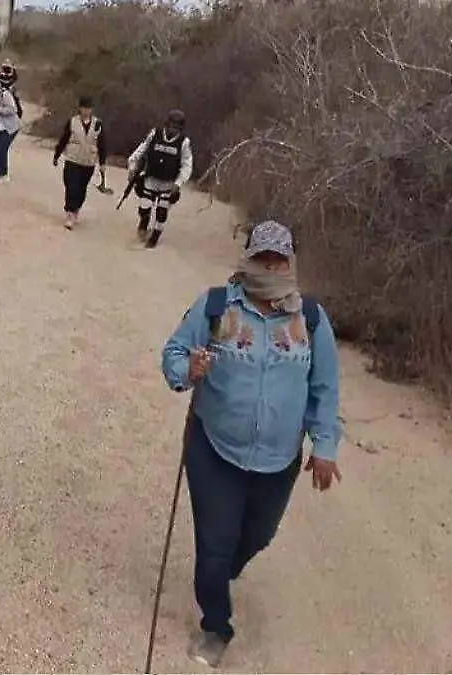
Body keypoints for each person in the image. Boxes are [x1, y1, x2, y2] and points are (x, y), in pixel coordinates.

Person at [160, 220, 342, 668]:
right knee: (216, 541)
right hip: (214, 449)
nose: (271, 266)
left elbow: (325, 387)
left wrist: (325, 446)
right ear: (249, 258)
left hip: (278, 460)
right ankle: (216, 625)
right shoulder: (217, 305)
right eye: (263, 257)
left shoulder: (312, 319)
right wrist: (190, 369)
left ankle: (221, 572)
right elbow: (173, 355)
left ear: (290, 262)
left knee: (258, 535)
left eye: (279, 258)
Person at [126, 109, 193, 250]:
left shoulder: (184, 142)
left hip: (169, 182)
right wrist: (132, 166)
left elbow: (187, 165)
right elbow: (141, 150)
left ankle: (155, 235)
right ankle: (144, 223)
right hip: (151, 177)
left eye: (176, 128)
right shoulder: (154, 135)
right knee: (144, 206)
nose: (173, 130)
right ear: (166, 125)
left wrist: (178, 183)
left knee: (162, 211)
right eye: (171, 126)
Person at [52, 95, 107, 230]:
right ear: (80, 108)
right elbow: (64, 139)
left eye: (88, 108)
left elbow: (102, 144)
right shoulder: (72, 122)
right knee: (71, 186)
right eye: (84, 108)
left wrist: (103, 162)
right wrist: (57, 155)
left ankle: (76, 209)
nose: (86, 111)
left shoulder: (98, 124)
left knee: (81, 189)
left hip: (88, 162)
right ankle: (69, 213)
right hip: (72, 159)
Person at [0, 79, 20, 183]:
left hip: (9, 127)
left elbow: (12, 109)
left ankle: (3, 174)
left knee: (2, 149)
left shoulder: (5, 94)